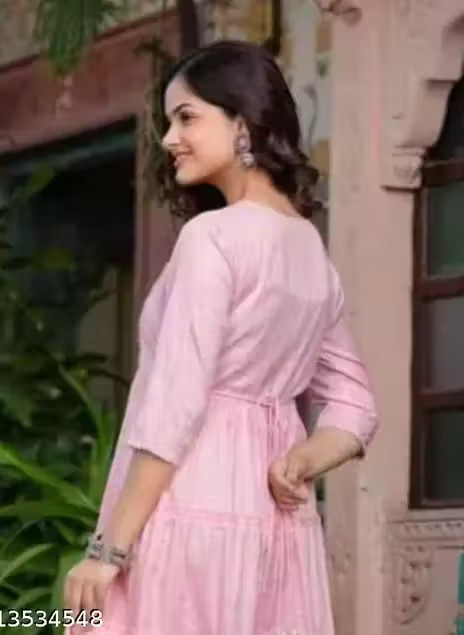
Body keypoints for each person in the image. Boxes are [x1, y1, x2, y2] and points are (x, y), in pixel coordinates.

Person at [63, 40, 378, 635]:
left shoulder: (212, 238)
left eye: (186, 117)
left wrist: (108, 550)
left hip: (189, 506)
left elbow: (176, 406)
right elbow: (357, 405)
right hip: (276, 528)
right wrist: (302, 460)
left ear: (243, 123)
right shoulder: (313, 255)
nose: (169, 139)